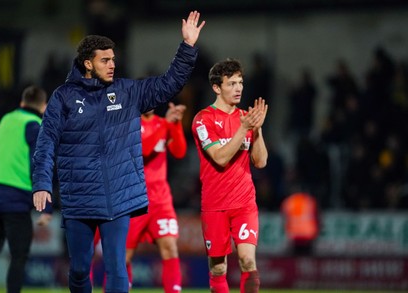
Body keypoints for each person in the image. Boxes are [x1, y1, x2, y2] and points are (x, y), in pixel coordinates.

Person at [32, 11, 205, 293]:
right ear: (88, 64)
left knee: (115, 266)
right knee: (79, 269)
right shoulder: (63, 97)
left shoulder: (127, 92)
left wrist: (187, 47)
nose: (113, 64)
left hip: (119, 198)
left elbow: (168, 84)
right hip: (79, 198)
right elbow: (46, 141)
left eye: (113, 59)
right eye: (105, 60)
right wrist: (41, 184)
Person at [191, 59, 268, 293]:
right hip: (215, 205)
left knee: (247, 260)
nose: (239, 88)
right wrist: (244, 129)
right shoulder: (203, 119)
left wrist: (258, 129)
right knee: (218, 269)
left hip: (244, 203)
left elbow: (261, 161)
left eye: (241, 82)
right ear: (217, 87)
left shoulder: (246, 117)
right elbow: (220, 158)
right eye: (232, 83)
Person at [92, 102, 187, 292]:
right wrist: (165, 125)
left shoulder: (162, 122)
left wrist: (175, 124)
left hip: (161, 201)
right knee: (124, 256)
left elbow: (179, 151)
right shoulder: (127, 125)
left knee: (169, 247)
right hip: (134, 200)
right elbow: (142, 150)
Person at [0, 85, 52, 293]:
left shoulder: (3, 122)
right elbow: (40, 164)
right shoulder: (34, 126)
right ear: (44, 107)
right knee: (19, 254)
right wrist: (46, 206)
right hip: (15, 198)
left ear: (22, 103)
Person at [281, 192, 319, 256]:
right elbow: (316, 216)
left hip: (294, 234)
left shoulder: (288, 202)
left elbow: (285, 219)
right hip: (308, 234)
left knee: (294, 259)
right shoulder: (309, 200)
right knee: (308, 258)